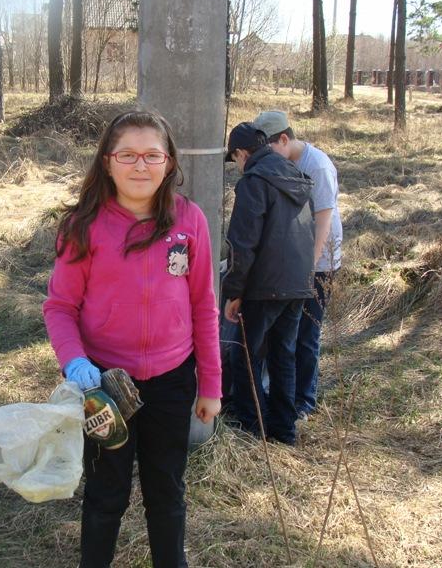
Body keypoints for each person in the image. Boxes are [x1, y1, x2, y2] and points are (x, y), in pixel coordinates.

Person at [43, 110, 221, 568]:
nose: (140, 166)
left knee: (167, 492)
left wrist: (211, 385)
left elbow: (203, 305)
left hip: (172, 379)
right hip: (103, 387)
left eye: (152, 155)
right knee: (106, 495)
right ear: (107, 161)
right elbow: (60, 308)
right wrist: (75, 363)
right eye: (128, 155)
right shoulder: (82, 226)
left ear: (169, 162)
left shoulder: (189, 221)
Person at [222, 122, 314, 445]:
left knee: (244, 355)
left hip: (265, 285)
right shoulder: (294, 175)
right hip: (299, 284)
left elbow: (241, 244)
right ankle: (284, 431)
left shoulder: (254, 181)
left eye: (235, 160)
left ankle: (253, 429)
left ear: (242, 153)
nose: (237, 167)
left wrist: (233, 292)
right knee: (283, 356)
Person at [253, 110, 342, 419]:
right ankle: (278, 395)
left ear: (284, 139)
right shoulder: (281, 164)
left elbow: (323, 221)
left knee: (306, 335)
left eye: (269, 149)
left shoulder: (316, 166)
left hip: (317, 265)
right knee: (283, 337)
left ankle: (304, 400)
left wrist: (308, 269)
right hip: (291, 264)